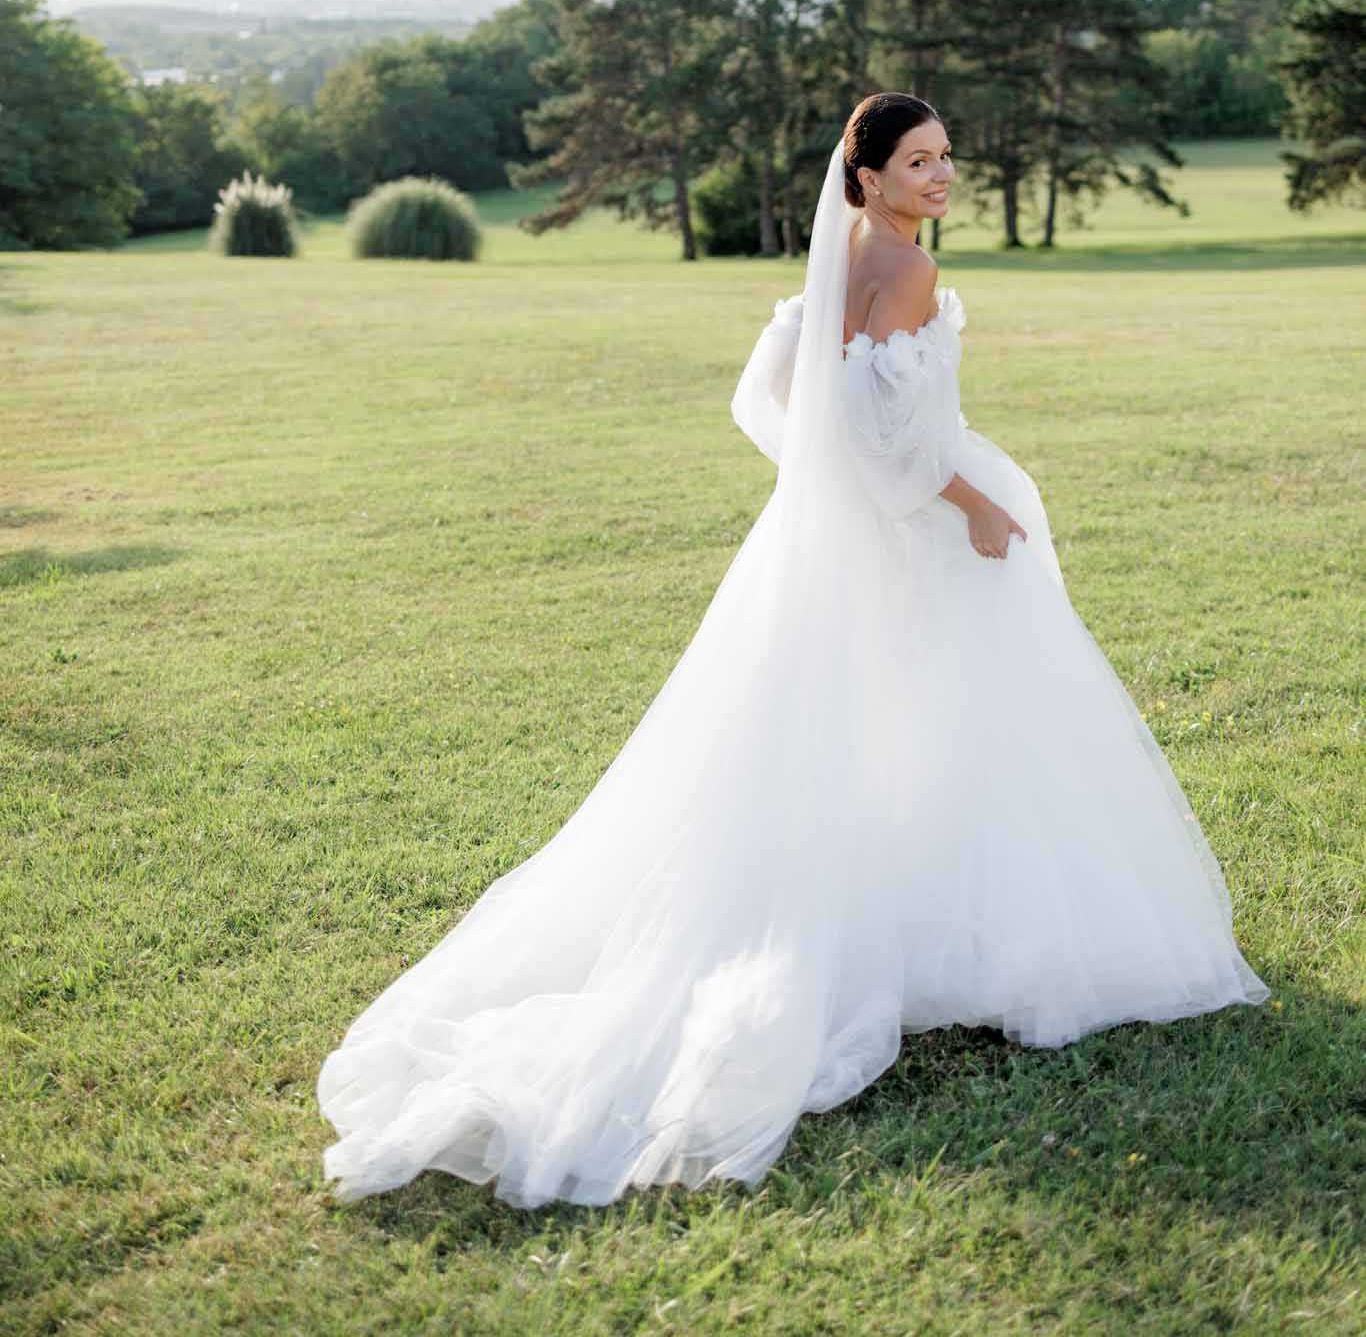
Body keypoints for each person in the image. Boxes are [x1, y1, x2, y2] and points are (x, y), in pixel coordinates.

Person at [316, 91, 1270, 1211]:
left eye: (945, 159)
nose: (939, 177)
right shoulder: (903, 269)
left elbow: (767, 396)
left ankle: (899, 913)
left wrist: (824, 484)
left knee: (850, 727)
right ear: (862, 176)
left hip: (834, 537)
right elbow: (894, 436)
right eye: (916, 163)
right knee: (975, 722)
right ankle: (977, 933)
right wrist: (969, 503)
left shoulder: (840, 262)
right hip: (925, 526)